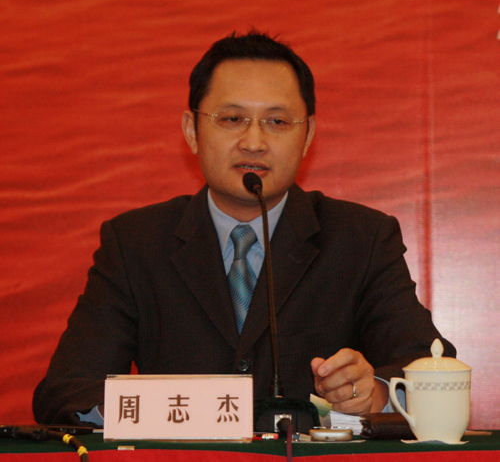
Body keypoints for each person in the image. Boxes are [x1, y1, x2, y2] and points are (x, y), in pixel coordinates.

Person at [33, 30, 455, 426]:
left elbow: (431, 366)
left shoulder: (361, 239)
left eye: (277, 122)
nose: (253, 142)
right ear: (192, 131)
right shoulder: (135, 243)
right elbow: (67, 392)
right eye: (232, 118)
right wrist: (169, 412)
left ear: (308, 136)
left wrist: (376, 393)